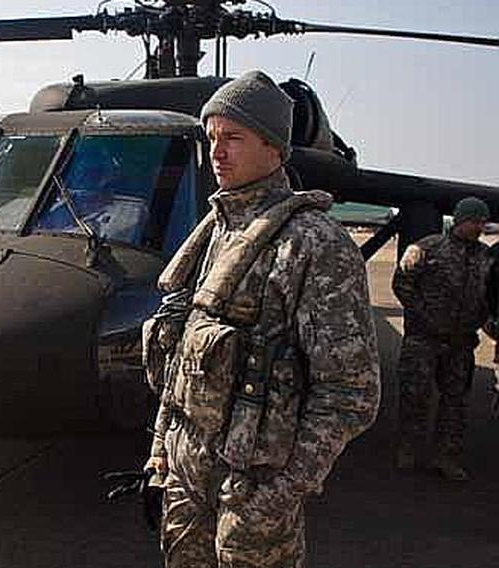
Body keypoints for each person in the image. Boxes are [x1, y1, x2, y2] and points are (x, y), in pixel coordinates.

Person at [142, 70, 380, 567]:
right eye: (211, 138)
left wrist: (280, 493)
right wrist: (160, 452)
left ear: (274, 148)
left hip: (253, 497)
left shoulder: (313, 244)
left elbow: (351, 394)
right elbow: (182, 357)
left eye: (233, 137)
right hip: (185, 486)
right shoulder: (213, 234)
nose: (217, 152)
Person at [392, 196, 492, 481]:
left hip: (461, 343)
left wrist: (480, 320)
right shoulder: (427, 248)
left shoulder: (485, 257)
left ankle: (447, 456)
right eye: (476, 221)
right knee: (415, 396)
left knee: (456, 402)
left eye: (484, 222)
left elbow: (490, 295)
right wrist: (424, 316)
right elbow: (402, 283)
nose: (481, 227)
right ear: (461, 220)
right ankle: (408, 447)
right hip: (424, 341)